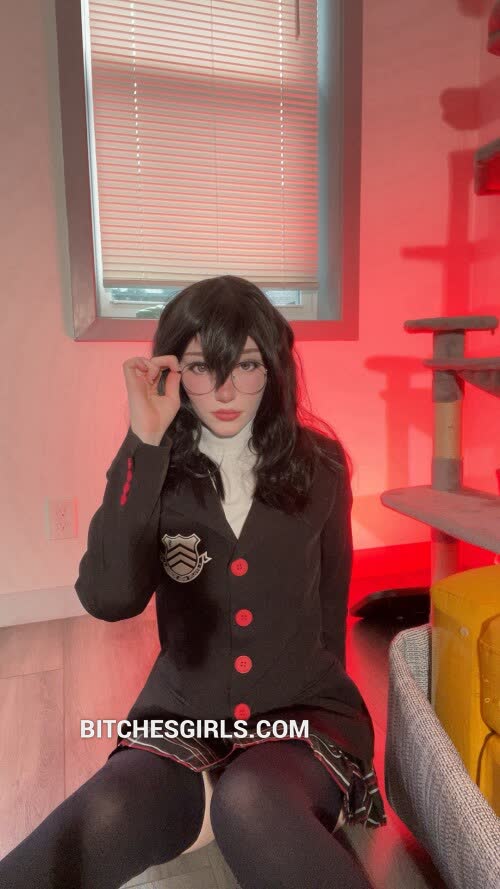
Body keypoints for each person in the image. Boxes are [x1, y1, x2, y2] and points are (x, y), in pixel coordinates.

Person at [0, 275, 386, 889]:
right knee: (108, 808)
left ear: (274, 368)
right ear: (174, 370)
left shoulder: (322, 465)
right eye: (203, 366)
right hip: (183, 715)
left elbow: (330, 604)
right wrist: (143, 438)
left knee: (251, 801)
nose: (226, 390)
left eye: (248, 364)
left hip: (302, 712)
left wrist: (326, 744)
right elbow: (108, 598)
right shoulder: (154, 465)